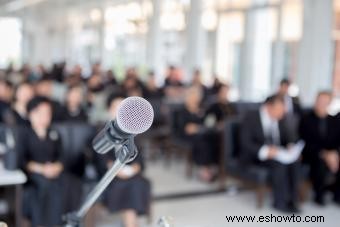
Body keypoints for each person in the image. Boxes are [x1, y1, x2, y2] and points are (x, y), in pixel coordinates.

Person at [96, 93, 151, 227]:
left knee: (137, 184)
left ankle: (130, 223)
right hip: (111, 177)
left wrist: (135, 168)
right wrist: (115, 170)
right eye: (116, 107)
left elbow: (140, 161)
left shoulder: (133, 131)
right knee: (129, 189)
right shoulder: (102, 131)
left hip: (133, 176)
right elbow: (100, 159)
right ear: (109, 109)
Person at [240, 94, 301, 212]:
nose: (282, 114)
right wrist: (266, 151)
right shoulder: (251, 117)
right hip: (255, 156)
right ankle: (279, 202)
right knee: (279, 164)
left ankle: (292, 200)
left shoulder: (279, 118)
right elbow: (245, 142)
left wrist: (290, 145)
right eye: (279, 110)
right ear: (268, 107)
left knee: (294, 162)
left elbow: (287, 137)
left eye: (283, 110)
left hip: (277, 154)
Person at [18, 96, 64, 226]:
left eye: (47, 113)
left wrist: (56, 167)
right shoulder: (24, 134)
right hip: (33, 174)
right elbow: (23, 161)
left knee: (66, 184)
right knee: (43, 186)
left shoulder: (54, 133)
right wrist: (43, 169)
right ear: (31, 113)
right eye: (40, 112)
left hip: (54, 172)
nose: (44, 116)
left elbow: (61, 157)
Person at [299, 91, 340, 206]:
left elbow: (337, 141)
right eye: (319, 101)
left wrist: (335, 154)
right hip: (312, 153)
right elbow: (305, 141)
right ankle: (319, 195)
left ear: (329, 103)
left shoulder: (335, 121)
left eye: (325, 102)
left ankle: (337, 194)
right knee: (320, 162)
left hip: (332, 154)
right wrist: (325, 154)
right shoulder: (306, 119)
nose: (321, 104)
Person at [179, 87, 219, 182]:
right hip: (187, 135)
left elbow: (206, 123)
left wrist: (199, 126)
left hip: (201, 133)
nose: (195, 98)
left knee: (213, 138)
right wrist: (198, 127)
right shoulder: (182, 111)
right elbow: (187, 128)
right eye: (193, 96)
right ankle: (203, 169)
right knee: (202, 141)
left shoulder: (201, 110)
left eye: (197, 97)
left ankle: (211, 165)